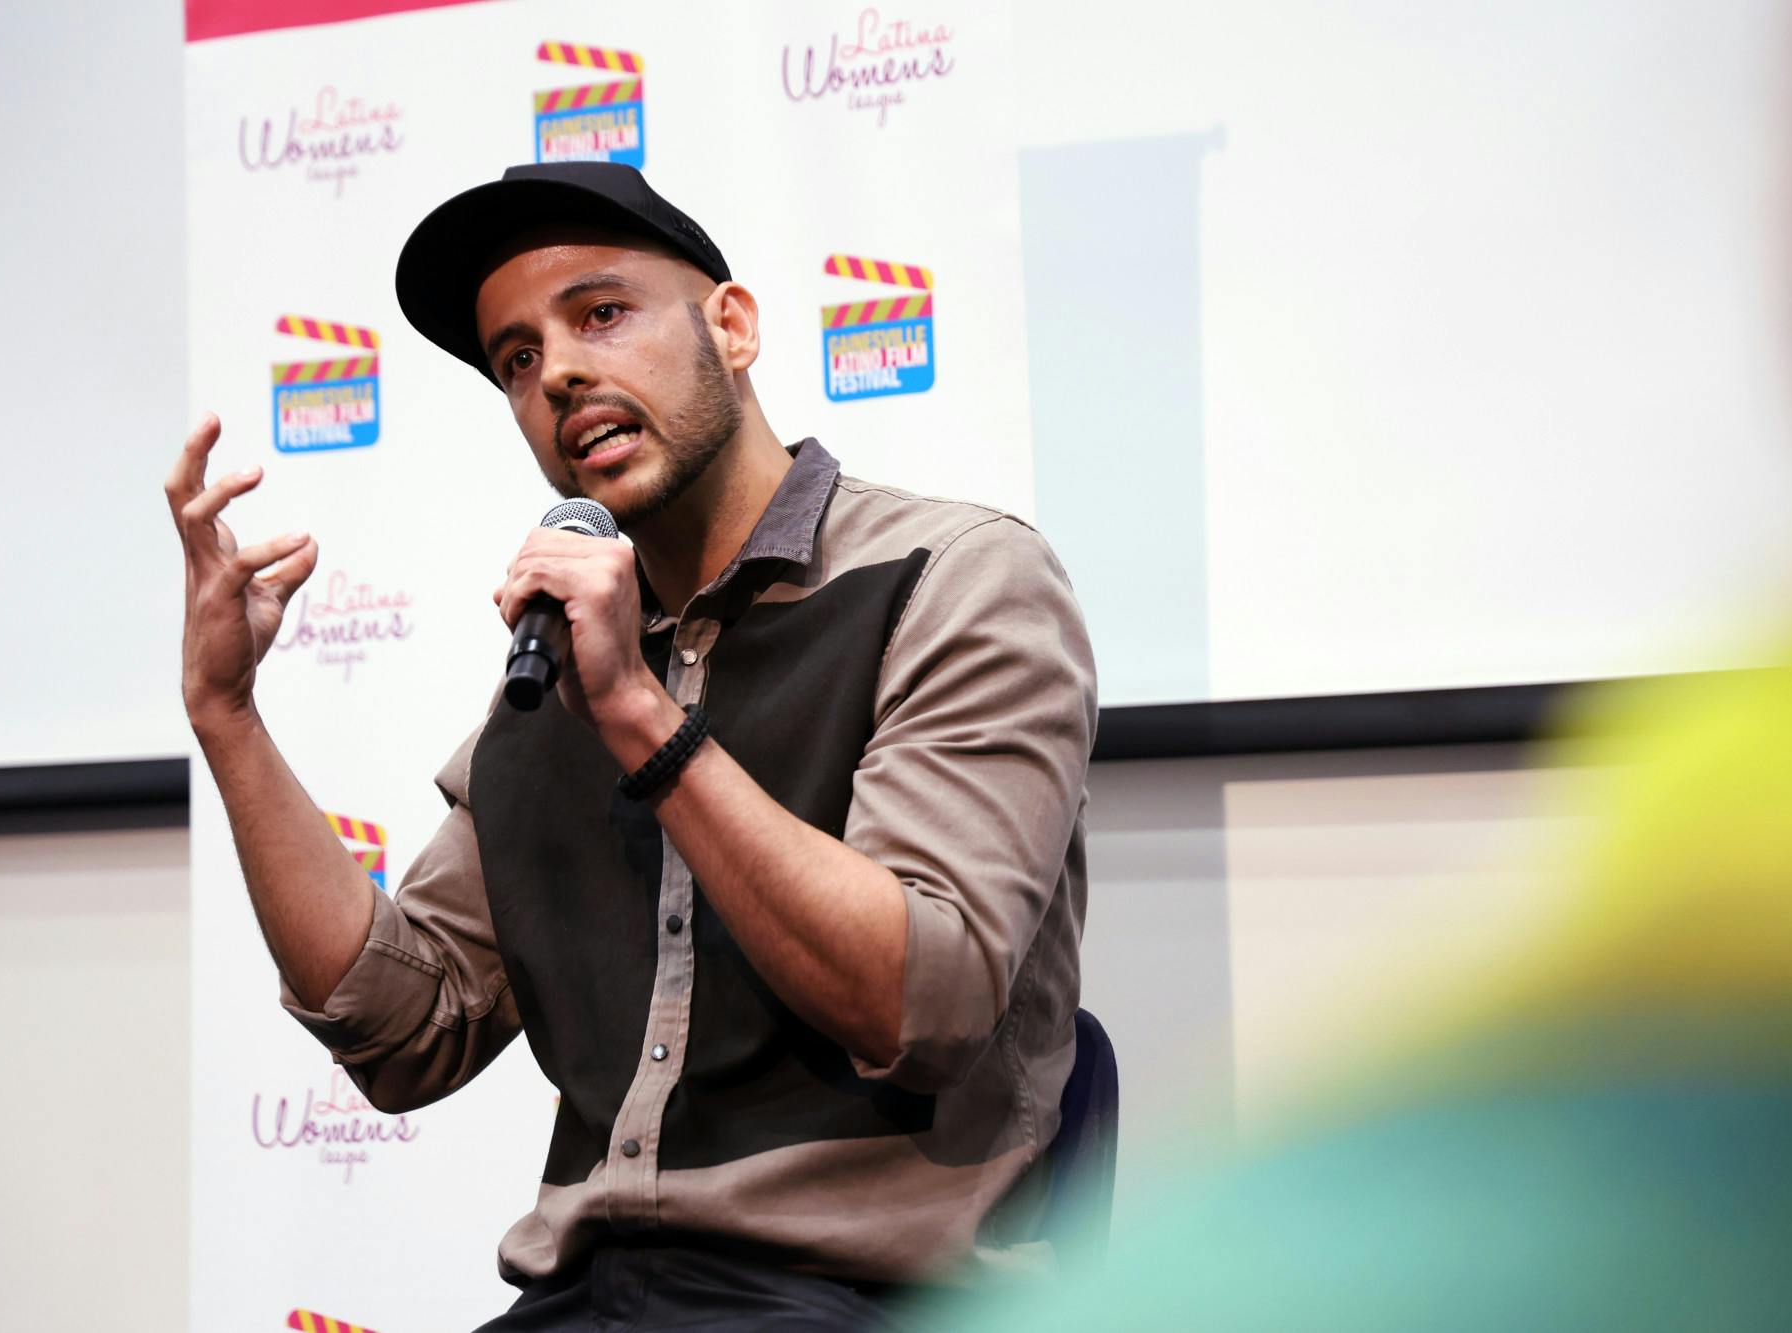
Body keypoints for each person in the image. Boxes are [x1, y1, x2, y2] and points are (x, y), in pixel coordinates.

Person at [162, 162, 1098, 1330]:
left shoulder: (952, 581)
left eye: (599, 313)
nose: (554, 370)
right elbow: (403, 1032)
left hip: (866, 1295)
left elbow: (920, 996)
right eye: (514, 358)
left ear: (733, 325)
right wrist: (229, 718)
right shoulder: (560, 668)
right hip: (585, 1298)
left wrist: (641, 718)